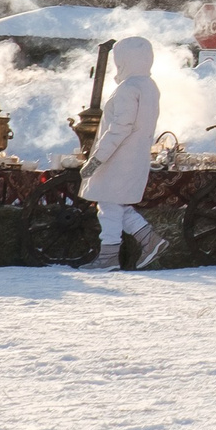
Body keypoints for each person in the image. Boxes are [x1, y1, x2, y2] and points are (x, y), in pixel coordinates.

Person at [78, 37, 167, 271]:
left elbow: (119, 128)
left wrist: (97, 159)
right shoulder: (149, 86)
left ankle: (108, 257)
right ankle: (150, 240)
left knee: (108, 206)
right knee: (118, 205)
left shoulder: (128, 88)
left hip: (119, 157)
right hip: (135, 155)